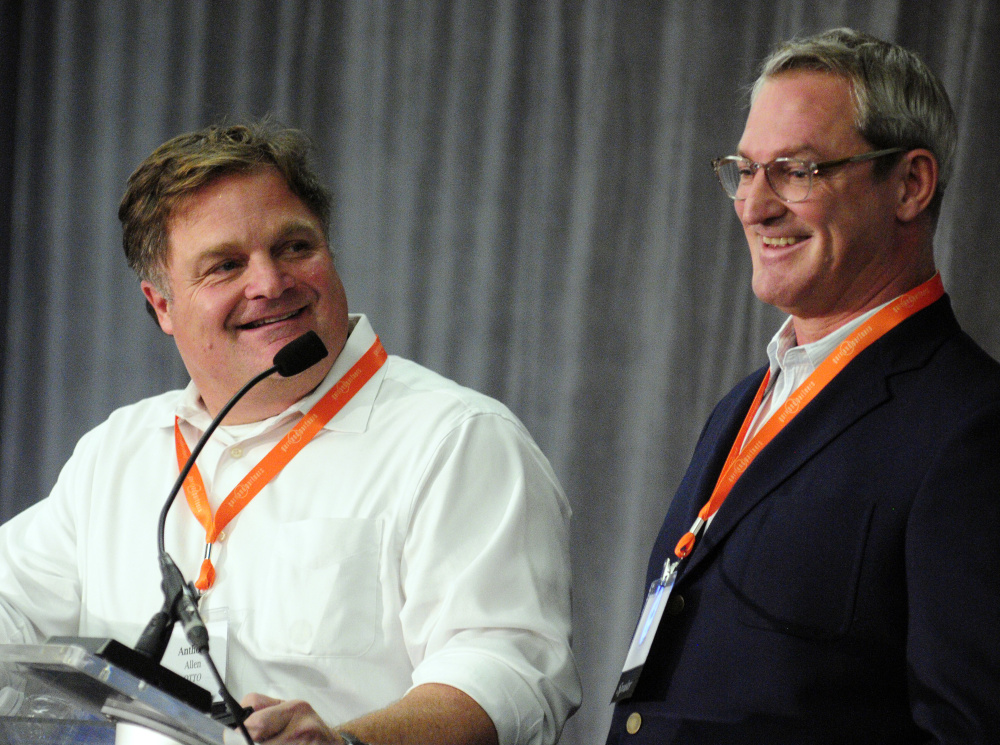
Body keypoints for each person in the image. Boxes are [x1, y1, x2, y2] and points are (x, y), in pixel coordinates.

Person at [0, 121, 581, 745]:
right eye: (225, 265)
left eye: (294, 247)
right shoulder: (118, 451)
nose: (270, 283)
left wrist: (346, 743)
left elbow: (510, 673)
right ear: (162, 304)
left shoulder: (457, 438)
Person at [606, 28, 1000, 744]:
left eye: (796, 170)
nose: (754, 206)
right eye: (745, 169)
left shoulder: (971, 427)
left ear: (910, 184)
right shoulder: (744, 403)